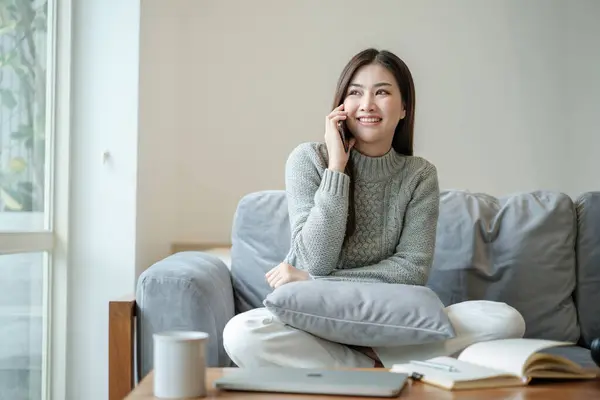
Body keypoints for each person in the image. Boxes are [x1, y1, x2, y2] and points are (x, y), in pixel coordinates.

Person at [223, 48, 525, 368]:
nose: (367, 104)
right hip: (316, 322)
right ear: (341, 105)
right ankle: (380, 366)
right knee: (243, 333)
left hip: (390, 321)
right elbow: (314, 259)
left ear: (405, 108)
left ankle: (354, 366)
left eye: (381, 92)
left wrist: (317, 283)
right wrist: (337, 168)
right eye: (355, 92)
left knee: (504, 319)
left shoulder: (419, 175)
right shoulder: (309, 160)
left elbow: (411, 272)